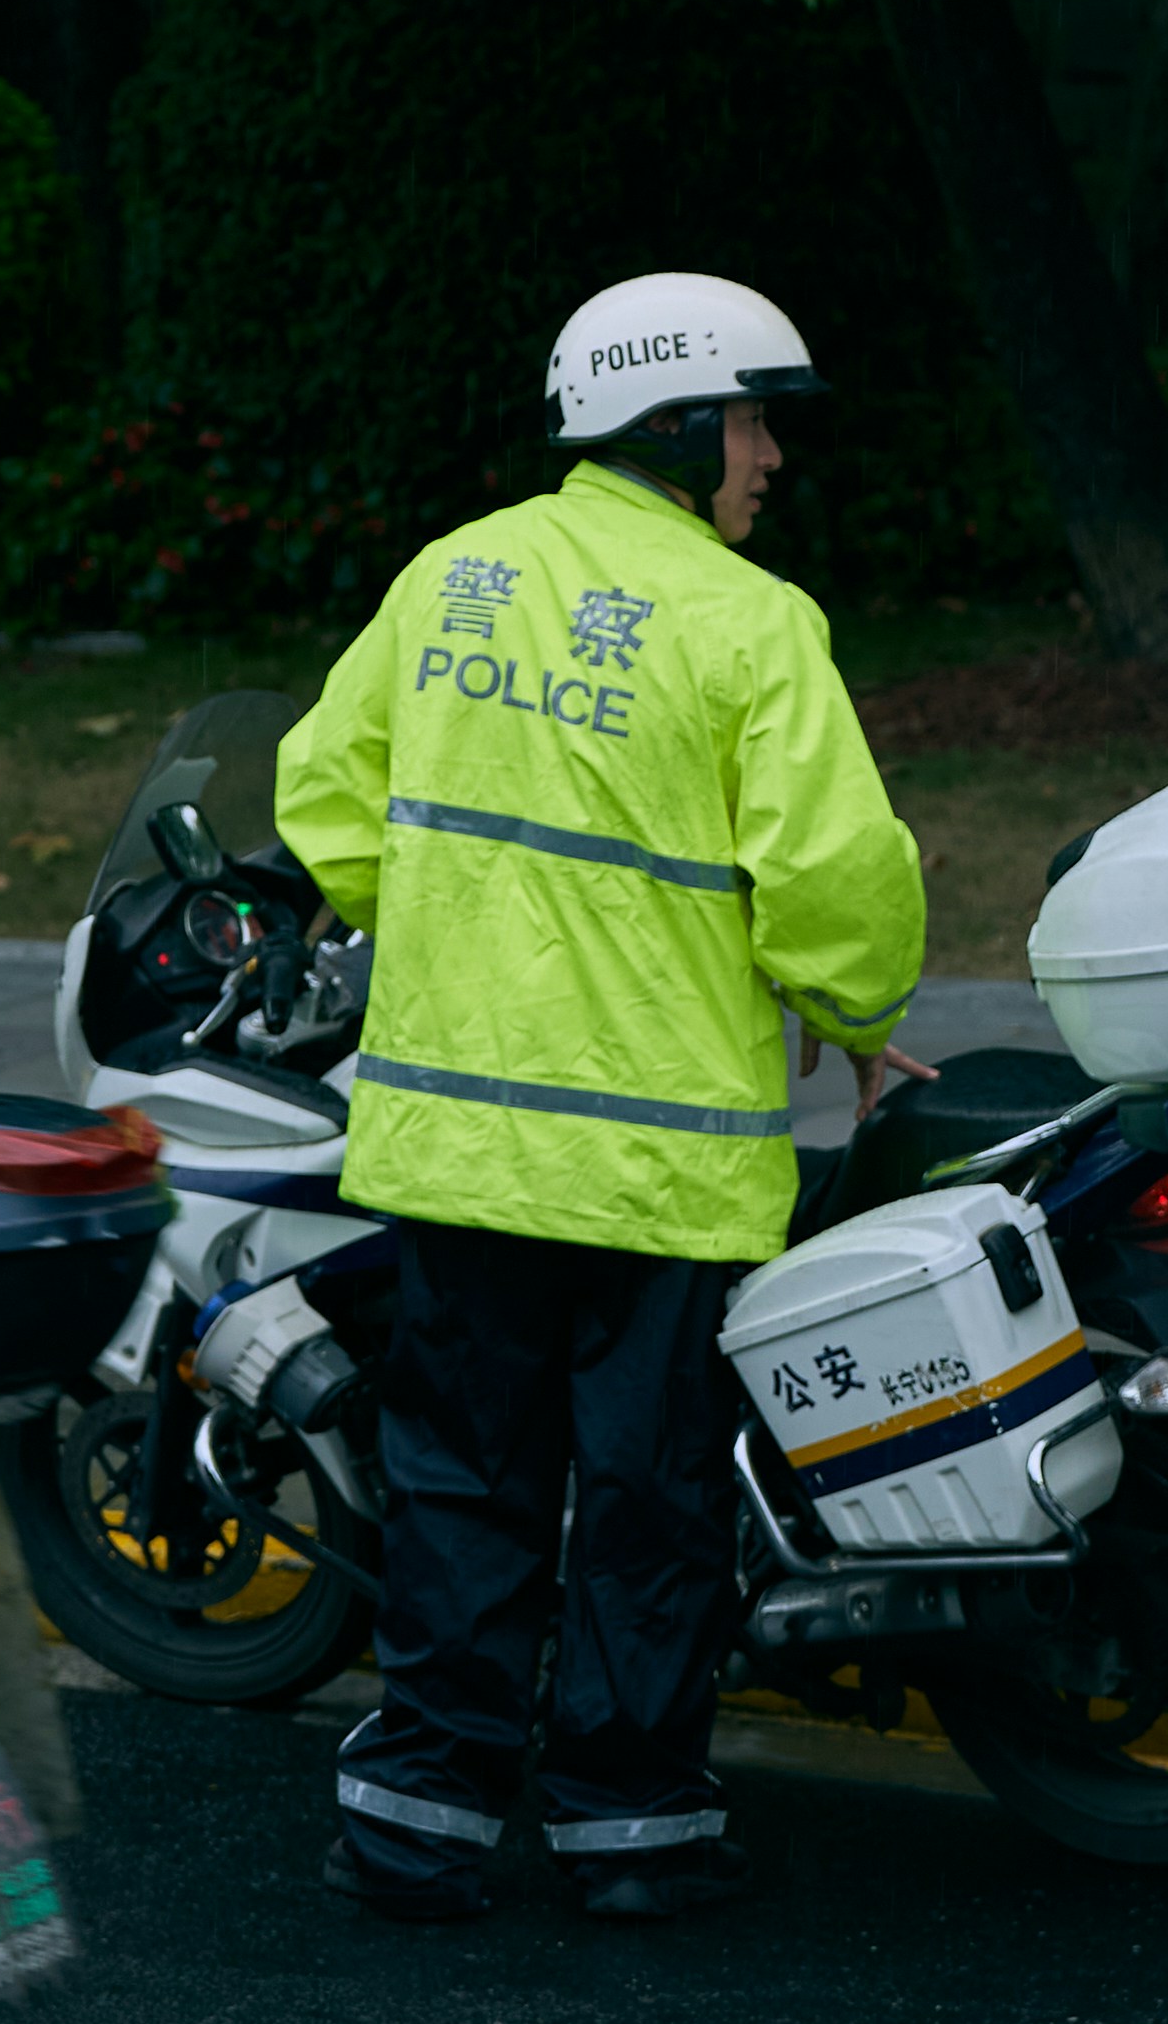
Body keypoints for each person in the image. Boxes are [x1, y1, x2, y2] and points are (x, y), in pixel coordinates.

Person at [276, 271, 928, 1926]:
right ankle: (627, 1830)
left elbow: (324, 801)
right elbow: (838, 882)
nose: (771, 455)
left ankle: (422, 1814)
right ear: (682, 421)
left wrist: (431, 920)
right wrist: (853, 1013)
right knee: (644, 1507)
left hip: (463, 1154)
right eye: (756, 418)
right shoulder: (749, 625)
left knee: (458, 1484)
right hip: (659, 1175)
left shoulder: (451, 577)